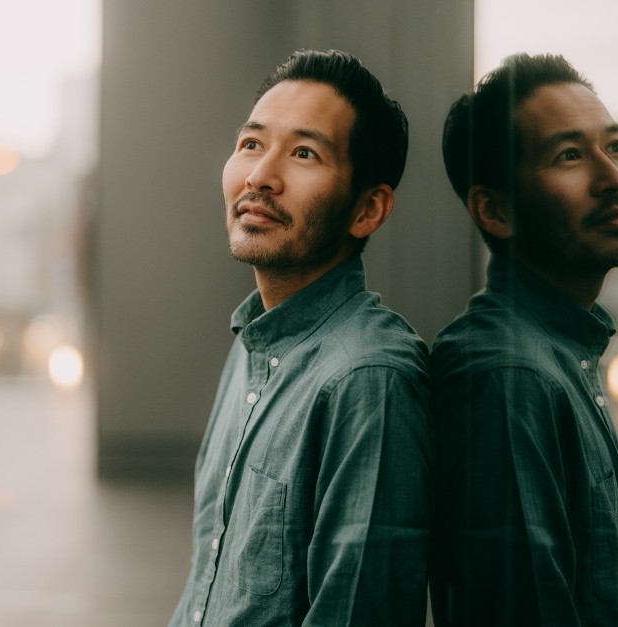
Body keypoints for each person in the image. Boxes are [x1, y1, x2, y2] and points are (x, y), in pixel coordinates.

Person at [168, 49, 431, 626]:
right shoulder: (250, 345)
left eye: (305, 153)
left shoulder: (369, 378)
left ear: (367, 209)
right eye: (252, 144)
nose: (260, 175)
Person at [429, 52, 618, 626]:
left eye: (617, 146)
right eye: (569, 156)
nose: (613, 179)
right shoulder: (508, 378)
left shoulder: (556, 356)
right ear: (495, 210)